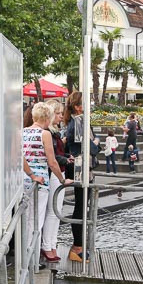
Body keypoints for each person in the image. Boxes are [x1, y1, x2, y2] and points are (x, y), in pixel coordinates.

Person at [22, 102, 67, 266]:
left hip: (25, 178)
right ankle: (31, 260)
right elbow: (52, 162)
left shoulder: (23, 132)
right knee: (37, 220)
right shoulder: (44, 134)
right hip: (41, 180)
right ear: (47, 118)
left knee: (26, 218)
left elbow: (20, 158)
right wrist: (62, 180)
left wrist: (29, 173)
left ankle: (25, 256)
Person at [63, 92, 98, 263]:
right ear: (78, 106)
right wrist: (96, 144)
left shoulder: (76, 121)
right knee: (81, 207)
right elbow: (91, 147)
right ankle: (77, 246)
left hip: (83, 168)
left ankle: (78, 246)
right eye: (86, 103)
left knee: (82, 206)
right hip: (81, 169)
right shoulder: (78, 122)